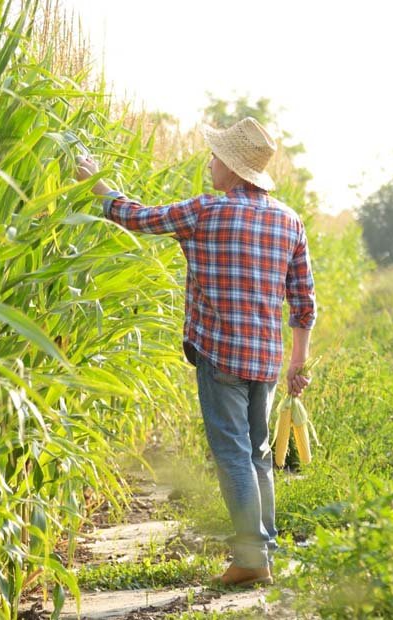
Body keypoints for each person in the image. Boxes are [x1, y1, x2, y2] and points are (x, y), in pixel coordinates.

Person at [75, 116, 316, 588]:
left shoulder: (206, 211)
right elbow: (304, 301)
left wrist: (95, 181)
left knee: (232, 455)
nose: (209, 163)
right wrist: (297, 362)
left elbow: (135, 217)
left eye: (214, 157)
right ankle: (262, 551)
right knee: (260, 455)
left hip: (221, 356)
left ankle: (251, 557)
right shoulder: (289, 220)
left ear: (231, 167)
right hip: (266, 360)